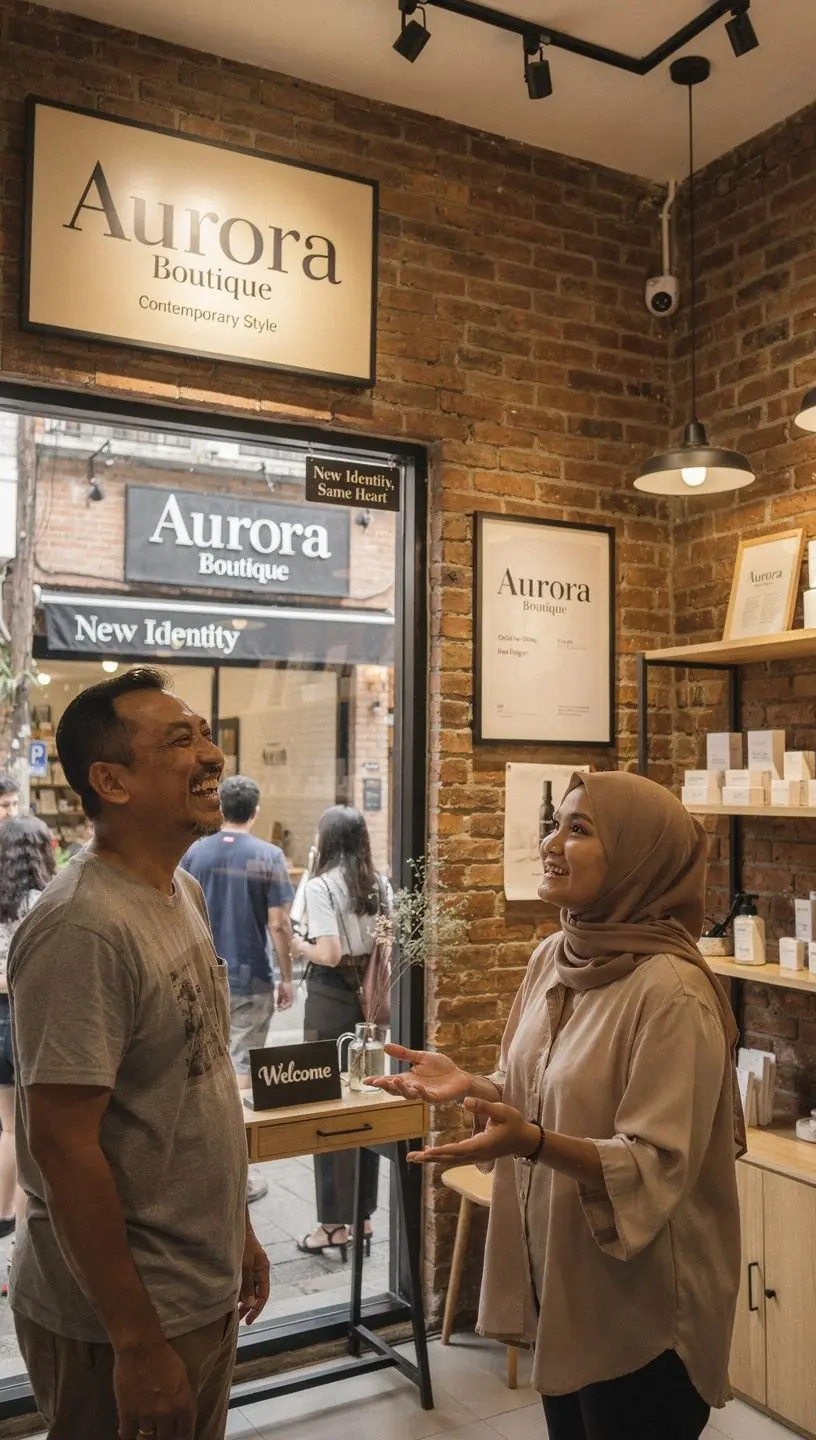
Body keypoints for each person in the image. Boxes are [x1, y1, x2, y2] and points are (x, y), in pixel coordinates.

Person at [369, 771, 742, 1440]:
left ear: (639, 859)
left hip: (646, 1310)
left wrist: (532, 1142)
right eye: (555, 824)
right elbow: (534, 1087)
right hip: (564, 1285)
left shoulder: (673, 994)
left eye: (579, 829)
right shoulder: (555, 956)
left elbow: (653, 1164)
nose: (550, 843)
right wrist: (472, 1084)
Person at [7, 667, 269, 1440]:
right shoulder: (82, 927)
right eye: (181, 740)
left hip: (195, 1285)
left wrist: (237, 1231)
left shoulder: (180, 892)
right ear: (112, 782)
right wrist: (137, 1342)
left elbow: (196, 1084)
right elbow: (63, 1149)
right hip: (122, 1319)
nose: (212, 755)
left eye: (206, 735)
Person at [181, 773, 295, 1204]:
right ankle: (237, 1172)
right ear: (256, 811)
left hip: (199, 975)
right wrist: (286, 976)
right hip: (250, 976)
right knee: (242, 1069)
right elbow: (279, 924)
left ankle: (202, 1167)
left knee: (202, 1070)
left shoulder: (193, 852)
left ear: (220, 807)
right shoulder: (269, 855)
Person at [293, 805, 391, 1260]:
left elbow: (329, 953)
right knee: (363, 1106)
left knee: (326, 1109)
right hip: (367, 1001)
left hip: (330, 998)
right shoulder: (380, 885)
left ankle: (333, 1226)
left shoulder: (320, 886)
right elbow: (385, 944)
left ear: (327, 840)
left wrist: (297, 944)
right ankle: (363, 1216)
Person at [0, 818, 56, 1247]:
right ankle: (21, 1242)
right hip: (25, 1020)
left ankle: (2, 1214)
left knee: (7, 1128)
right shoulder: (43, 903)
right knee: (30, 1136)